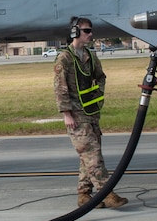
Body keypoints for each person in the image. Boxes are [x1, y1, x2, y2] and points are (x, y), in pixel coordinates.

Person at [54, 17, 128, 208]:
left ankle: (84, 195)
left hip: (91, 113)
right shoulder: (65, 58)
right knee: (93, 156)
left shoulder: (90, 56)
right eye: (87, 31)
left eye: (90, 31)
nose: (90, 34)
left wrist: (98, 96)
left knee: (87, 156)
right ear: (75, 32)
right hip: (76, 116)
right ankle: (107, 194)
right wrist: (66, 113)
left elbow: (101, 78)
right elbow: (60, 88)